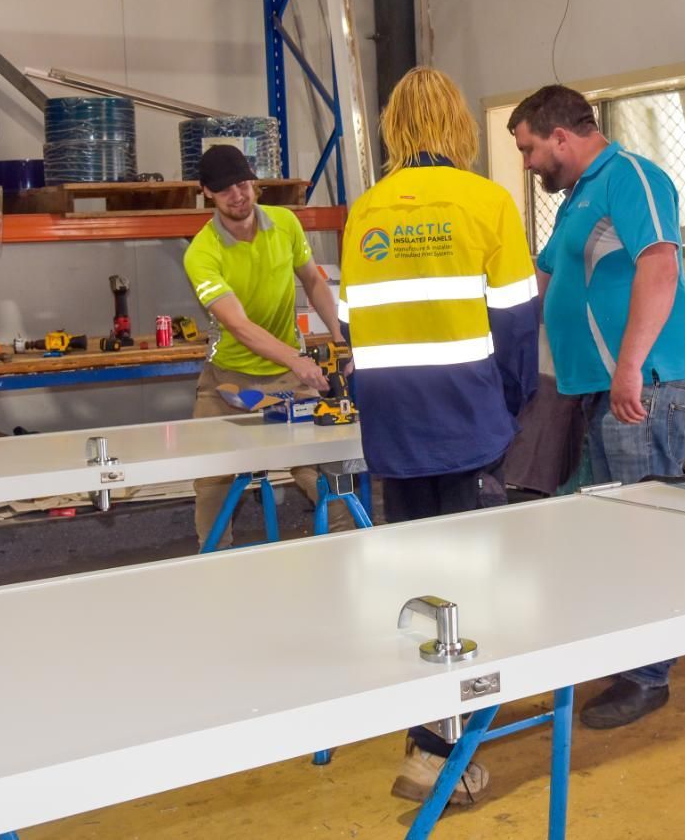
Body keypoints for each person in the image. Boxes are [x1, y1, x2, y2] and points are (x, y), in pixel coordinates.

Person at [340, 66, 539, 807]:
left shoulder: (366, 211)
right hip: (465, 423)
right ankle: (435, 753)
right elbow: (518, 326)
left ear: (395, 127)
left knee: (415, 584)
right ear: (457, 124)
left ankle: (426, 723)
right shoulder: (487, 202)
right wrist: (507, 408)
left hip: (393, 427)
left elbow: (358, 325)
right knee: (468, 593)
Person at [509, 83, 685, 731]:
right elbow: (542, 283)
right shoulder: (574, 203)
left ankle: (649, 677)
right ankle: (627, 653)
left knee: (642, 529)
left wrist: (627, 367)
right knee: (609, 528)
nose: (528, 163)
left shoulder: (632, 178)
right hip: (596, 389)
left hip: (642, 384)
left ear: (561, 136)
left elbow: (659, 265)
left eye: (530, 149)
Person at [183, 144, 345, 548]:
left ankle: (348, 547)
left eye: (242, 184)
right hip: (228, 382)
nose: (238, 196)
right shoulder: (202, 252)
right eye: (225, 191)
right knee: (212, 481)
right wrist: (298, 359)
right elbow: (237, 324)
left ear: (254, 180)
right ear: (207, 193)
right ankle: (214, 564)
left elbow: (312, 280)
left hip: (289, 375)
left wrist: (342, 337)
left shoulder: (286, 223)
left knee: (322, 467)